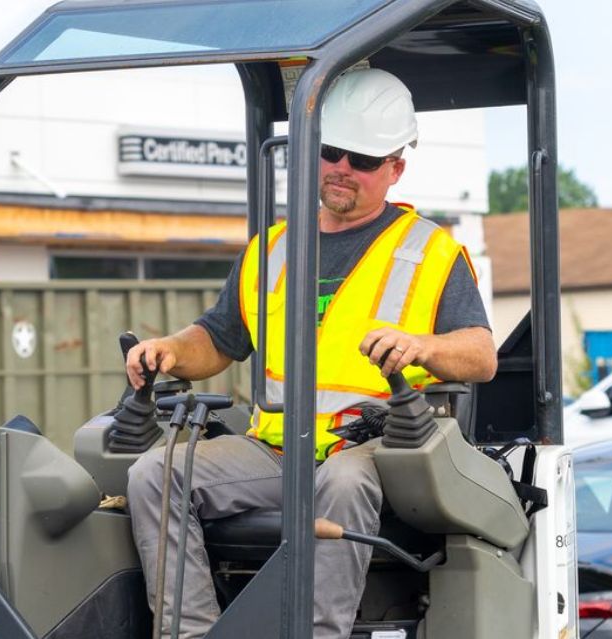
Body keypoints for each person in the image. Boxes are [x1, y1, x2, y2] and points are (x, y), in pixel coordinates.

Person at [126, 68, 497, 639]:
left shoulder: (432, 252)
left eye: (364, 159)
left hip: (376, 449)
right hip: (277, 450)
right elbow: (219, 339)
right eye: (331, 151)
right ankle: (191, 633)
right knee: (156, 471)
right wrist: (170, 352)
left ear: (396, 167)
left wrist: (421, 346)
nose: (342, 168)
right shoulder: (271, 249)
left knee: (343, 484)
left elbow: (480, 355)